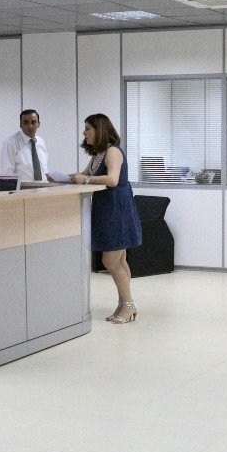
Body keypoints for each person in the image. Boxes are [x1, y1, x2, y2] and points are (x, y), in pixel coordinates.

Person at [70, 113, 142, 324]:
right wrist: (70, 177)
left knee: (110, 260)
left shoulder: (113, 151)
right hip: (106, 208)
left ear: (99, 130)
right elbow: (85, 175)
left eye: (88, 129)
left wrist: (86, 179)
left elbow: (112, 179)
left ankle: (128, 305)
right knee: (119, 260)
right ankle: (124, 303)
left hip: (116, 209)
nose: (84, 133)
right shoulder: (98, 154)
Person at [0, 109, 48, 182]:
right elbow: (7, 173)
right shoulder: (11, 143)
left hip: (44, 187)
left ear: (38, 124)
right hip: (22, 188)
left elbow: (44, 168)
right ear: (20, 124)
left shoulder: (41, 142)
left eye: (33, 122)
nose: (30, 126)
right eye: (26, 122)